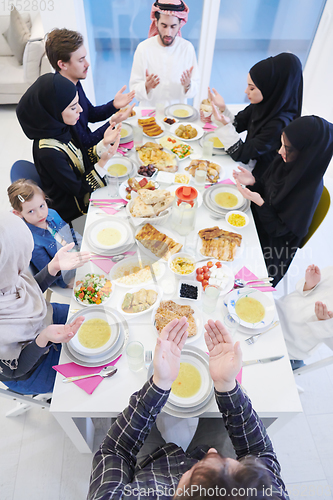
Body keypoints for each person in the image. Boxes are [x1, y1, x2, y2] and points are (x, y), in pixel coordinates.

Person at [87, 318, 288, 499]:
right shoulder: (267, 495)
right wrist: (226, 385)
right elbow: (259, 453)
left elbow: (115, 450)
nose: (211, 451)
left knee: (120, 410)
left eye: (195, 472)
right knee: (220, 417)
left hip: (149, 464)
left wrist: (159, 385)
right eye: (230, 463)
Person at [233, 115, 333, 287]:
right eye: (282, 144)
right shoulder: (286, 160)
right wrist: (254, 182)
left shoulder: (308, 191)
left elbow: (278, 231)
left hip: (270, 251)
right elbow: (266, 186)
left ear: (307, 153)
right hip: (256, 224)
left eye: (287, 148)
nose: (280, 151)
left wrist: (261, 204)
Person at [0, 212, 90, 394]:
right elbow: (15, 370)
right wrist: (44, 338)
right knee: (93, 373)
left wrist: (53, 267)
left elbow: (29, 291)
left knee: (96, 321)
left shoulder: (6, 273)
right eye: (21, 261)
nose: (24, 265)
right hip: (33, 369)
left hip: (46, 319)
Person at [16, 72, 121, 223]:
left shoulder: (61, 127)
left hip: (85, 192)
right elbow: (77, 189)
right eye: (73, 108)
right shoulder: (48, 152)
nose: (80, 110)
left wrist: (103, 145)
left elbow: (80, 158)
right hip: (73, 213)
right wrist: (102, 162)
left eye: (78, 103)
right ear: (53, 112)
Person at [208, 53, 303, 179]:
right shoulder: (265, 104)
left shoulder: (279, 124)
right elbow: (239, 124)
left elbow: (241, 153)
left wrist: (225, 124)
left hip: (260, 180)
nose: (246, 91)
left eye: (252, 88)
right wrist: (223, 109)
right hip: (247, 169)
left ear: (270, 88)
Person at [45, 28, 135, 149]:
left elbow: (90, 114)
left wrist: (114, 105)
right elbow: (85, 143)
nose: (87, 64)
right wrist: (111, 123)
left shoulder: (73, 83)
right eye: (81, 60)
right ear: (62, 65)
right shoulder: (61, 100)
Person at [8, 179, 82, 289]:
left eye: (42, 205)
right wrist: (68, 281)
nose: (40, 214)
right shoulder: (31, 241)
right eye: (31, 211)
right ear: (18, 213)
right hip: (67, 275)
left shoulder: (52, 213)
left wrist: (83, 244)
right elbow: (49, 270)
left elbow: (69, 233)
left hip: (78, 255)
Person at [129, 0, 200, 107]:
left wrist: (188, 85)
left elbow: (196, 88)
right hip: (149, 116)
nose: (168, 33)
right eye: (164, 26)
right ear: (156, 22)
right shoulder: (143, 48)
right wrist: (146, 86)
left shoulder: (187, 48)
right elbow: (134, 89)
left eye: (173, 26)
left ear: (180, 24)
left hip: (177, 115)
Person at [276, 264, 333, 370]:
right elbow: (300, 290)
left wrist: (325, 322)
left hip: (290, 344)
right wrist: (309, 285)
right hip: (277, 310)